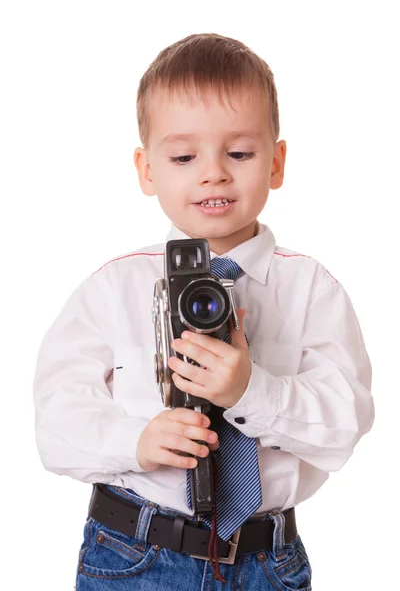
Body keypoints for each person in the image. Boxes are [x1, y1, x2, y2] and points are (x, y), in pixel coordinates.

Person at [33, 32, 374, 590]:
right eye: (184, 156)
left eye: (239, 153)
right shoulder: (112, 287)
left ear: (277, 161)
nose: (213, 172)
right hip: (135, 553)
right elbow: (54, 423)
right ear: (147, 169)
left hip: (268, 560)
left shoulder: (312, 289)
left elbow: (346, 422)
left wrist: (250, 393)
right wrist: (135, 442)